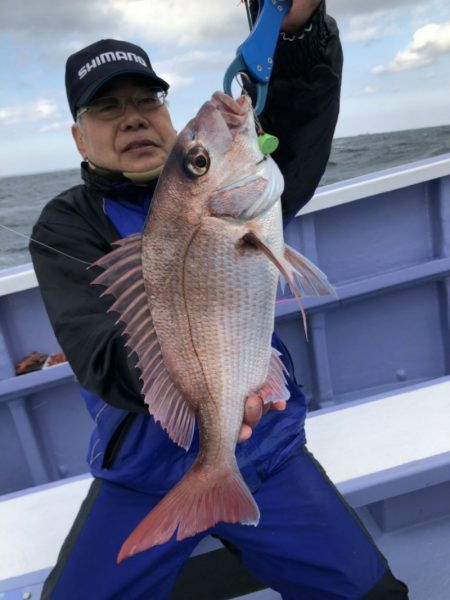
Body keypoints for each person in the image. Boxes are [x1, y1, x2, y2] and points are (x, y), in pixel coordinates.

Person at [30, 1, 409, 598]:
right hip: (143, 474)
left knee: (375, 595)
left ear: (168, 114)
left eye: (146, 101)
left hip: (266, 452)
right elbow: (100, 355)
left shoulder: (233, 182)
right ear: (80, 137)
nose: (132, 119)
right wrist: (202, 388)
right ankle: (212, 481)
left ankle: (227, 485)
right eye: (107, 107)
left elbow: (297, 132)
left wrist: (298, 32)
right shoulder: (66, 225)